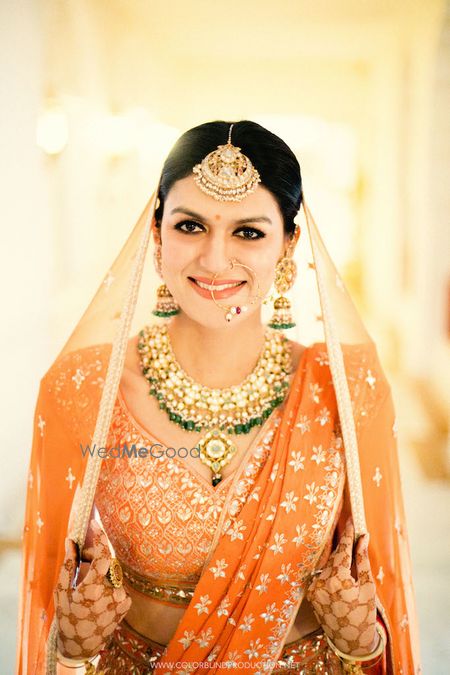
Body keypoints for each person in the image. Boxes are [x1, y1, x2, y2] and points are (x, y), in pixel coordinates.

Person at [16, 121, 421, 674]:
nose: (213, 259)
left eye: (248, 233)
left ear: (289, 244)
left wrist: (361, 644)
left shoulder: (346, 391)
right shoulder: (84, 389)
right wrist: (71, 653)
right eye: (191, 225)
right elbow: (45, 619)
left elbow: (382, 601)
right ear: (157, 236)